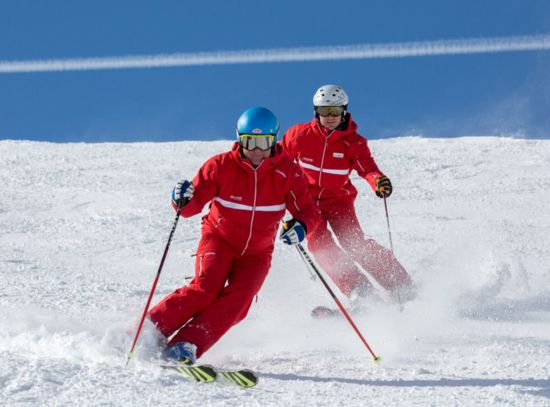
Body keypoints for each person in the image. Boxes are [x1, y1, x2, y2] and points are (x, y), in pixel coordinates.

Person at [147, 106, 320, 365]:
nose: (257, 150)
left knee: (240, 301)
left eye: (264, 142)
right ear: (240, 138)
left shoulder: (287, 173)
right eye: (250, 141)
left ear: (274, 140)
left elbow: (308, 210)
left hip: (257, 253)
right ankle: (148, 333)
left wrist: (301, 226)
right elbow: (190, 208)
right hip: (219, 238)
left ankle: (186, 344)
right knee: (206, 289)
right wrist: (182, 199)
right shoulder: (220, 166)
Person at [281, 84, 414, 305]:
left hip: (338, 201)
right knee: (319, 245)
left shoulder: (353, 142)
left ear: (344, 111)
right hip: (307, 203)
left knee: (354, 243)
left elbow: (368, 169)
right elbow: (280, 164)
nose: (330, 117)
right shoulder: (299, 135)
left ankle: (400, 285)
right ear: (316, 112)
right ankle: (360, 292)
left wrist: (378, 182)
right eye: (325, 111)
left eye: (335, 111)